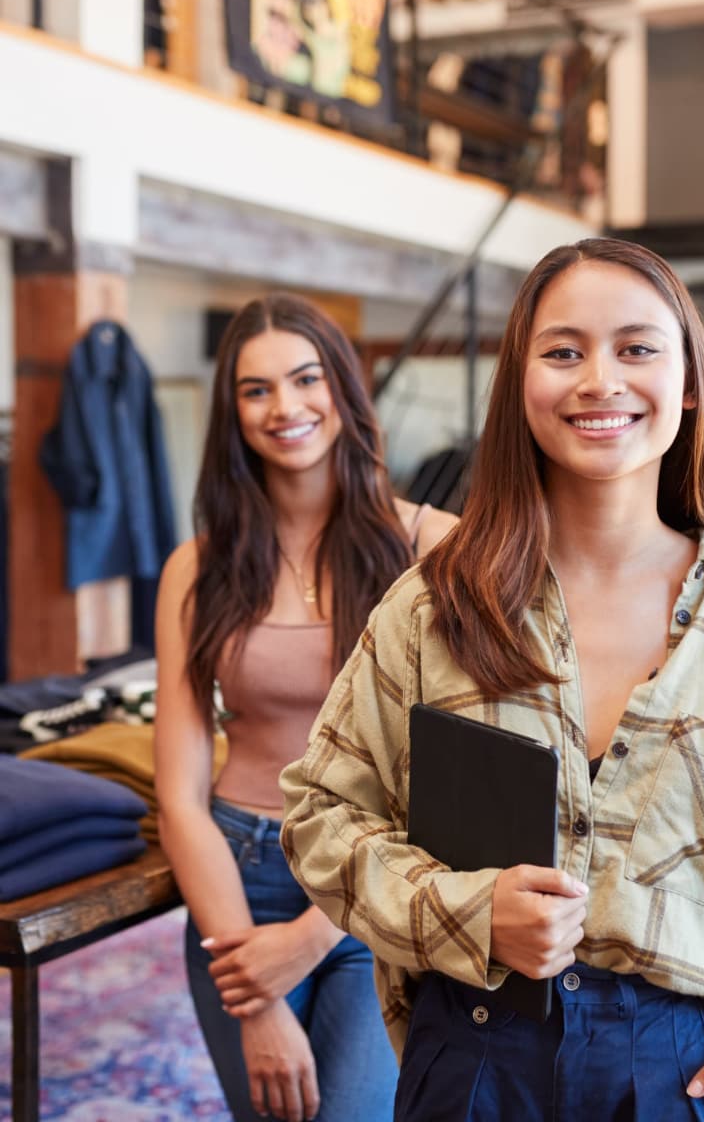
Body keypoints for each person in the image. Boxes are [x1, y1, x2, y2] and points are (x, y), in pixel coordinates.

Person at [279, 238, 704, 1122]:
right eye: (564, 351)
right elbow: (319, 813)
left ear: (689, 382)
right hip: (474, 1056)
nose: (599, 380)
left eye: (637, 348)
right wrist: (464, 910)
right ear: (521, 381)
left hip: (681, 1072)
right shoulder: (435, 605)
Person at [155, 292, 455, 1122]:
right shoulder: (198, 567)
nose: (285, 407)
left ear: (344, 391)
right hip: (238, 880)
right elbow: (179, 797)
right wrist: (253, 996)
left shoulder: (431, 546)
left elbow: (455, 773)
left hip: (377, 887)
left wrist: (315, 933)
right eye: (256, 390)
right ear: (233, 412)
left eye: (305, 378)